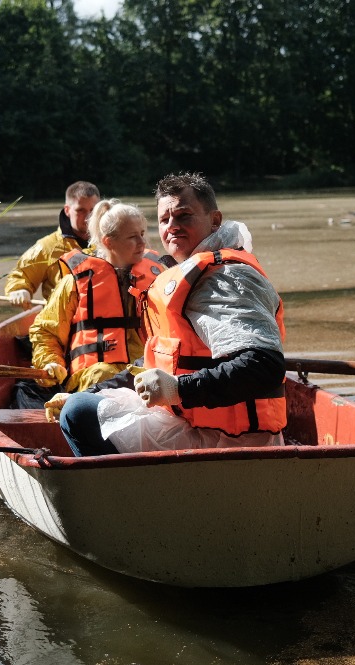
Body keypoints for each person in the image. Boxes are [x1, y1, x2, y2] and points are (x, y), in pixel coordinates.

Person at [54, 172, 287, 454]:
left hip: (232, 441)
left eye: (184, 216)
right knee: (81, 401)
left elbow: (264, 366)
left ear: (214, 220)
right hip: (197, 426)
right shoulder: (192, 274)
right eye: (165, 220)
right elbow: (158, 357)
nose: (172, 226)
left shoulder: (226, 277)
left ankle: (123, 496)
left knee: (78, 414)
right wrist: (89, 391)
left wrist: (179, 388)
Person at [13, 199, 166, 409]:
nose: (142, 243)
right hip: (93, 376)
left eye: (142, 233)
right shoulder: (75, 282)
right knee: (102, 374)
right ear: (109, 242)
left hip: (144, 371)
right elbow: (45, 331)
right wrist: (51, 362)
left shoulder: (159, 277)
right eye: (132, 237)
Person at [4, 181, 101, 308]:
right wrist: (19, 290)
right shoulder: (47, 247)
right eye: (80, 210)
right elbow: (20, 275)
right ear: (67, 210)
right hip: (62, 324)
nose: (88, 217)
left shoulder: (111, 242)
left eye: (93, 210)